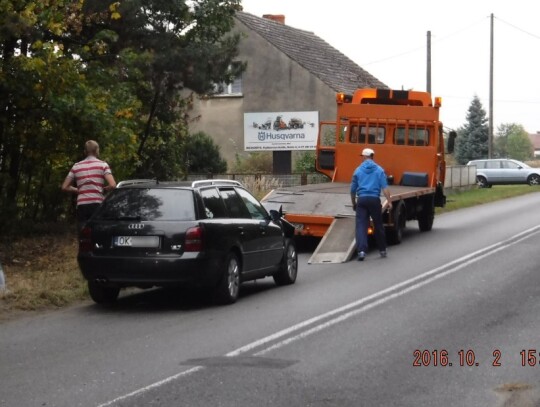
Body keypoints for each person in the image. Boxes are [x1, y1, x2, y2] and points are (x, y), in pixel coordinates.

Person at [62, 140, 116, 231]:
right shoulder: (102, 165)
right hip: (97, 203)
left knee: (83, 234)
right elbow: (113, 185)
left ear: (85, 151)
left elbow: (64, 187)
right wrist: (104, 189)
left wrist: (78, 190)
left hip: (82, 205)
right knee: (97, 232)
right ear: (97, 150)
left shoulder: (76, 166)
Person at [350, 148, 392, 261]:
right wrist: (389, 201)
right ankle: (382, 250)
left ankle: (362, 251)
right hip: (374, 200)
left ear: (364, 157)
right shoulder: (379, 170)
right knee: (378, 225)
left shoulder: (358, 170)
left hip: (362, 200)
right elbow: (385, 188)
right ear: (372, 157)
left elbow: (352, 190)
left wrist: (354, 203)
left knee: (361, 226)